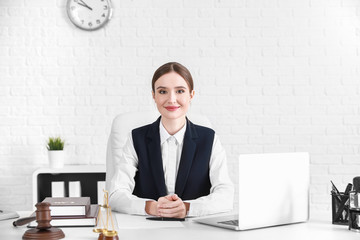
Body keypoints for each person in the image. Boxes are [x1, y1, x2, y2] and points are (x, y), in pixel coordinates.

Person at [109, 62, 234, 218]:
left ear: (191, 95)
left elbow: (226, 195)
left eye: (180, 91)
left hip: (195, 231)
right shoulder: (136, 139)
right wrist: (151, 207)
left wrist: (188, 208)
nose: (171, 99)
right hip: (147, 229)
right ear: (154, 95)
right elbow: (115, 194)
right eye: (163, 91)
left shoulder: (209, 139)